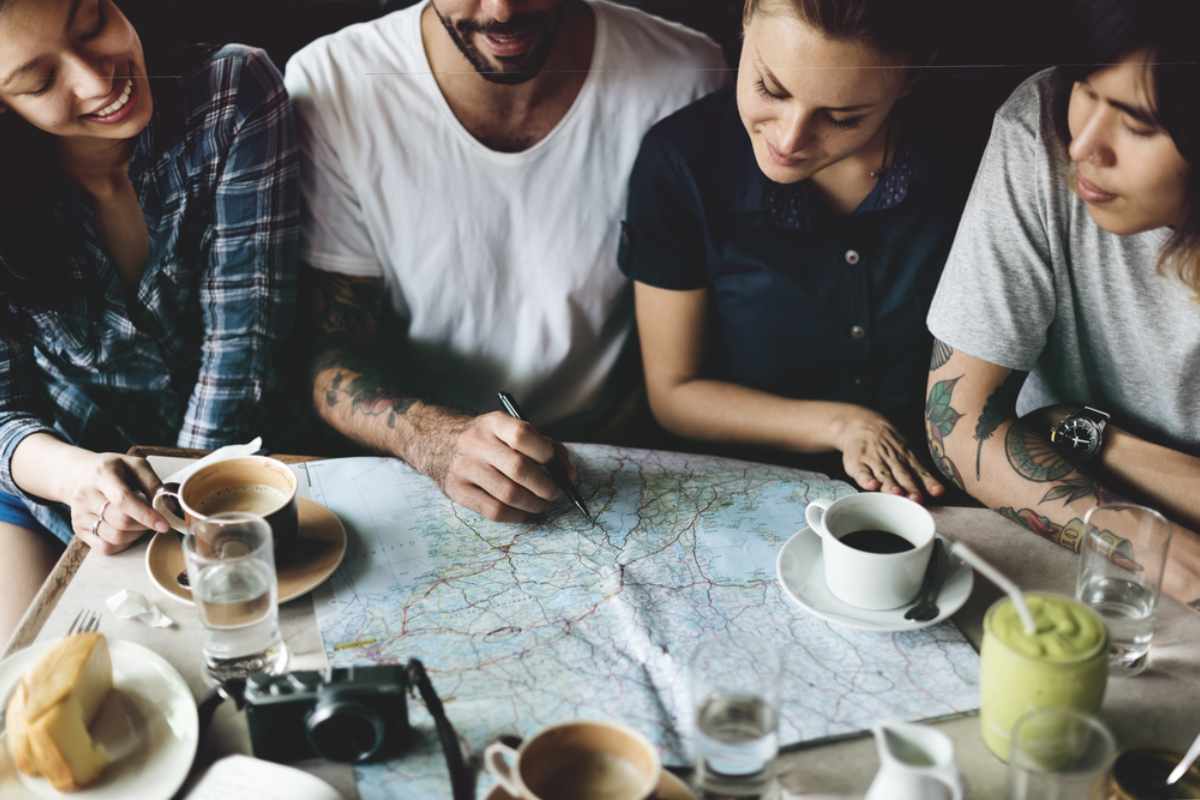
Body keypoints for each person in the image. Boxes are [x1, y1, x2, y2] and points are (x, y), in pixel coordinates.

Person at [286, 0, 727, 522]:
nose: (501, 12)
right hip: (423, 467)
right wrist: (436, 439)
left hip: (619, 466)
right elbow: (330, 352)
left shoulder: (685, 76)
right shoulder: (335, 80)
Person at [0, 0, 299, 639]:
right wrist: (81, 477)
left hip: (231, 463)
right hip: (54, 473)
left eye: (91, 24)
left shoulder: (233, 93)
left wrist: (176, 508)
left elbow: (240, 350)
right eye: (40, 81)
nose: (95, 80)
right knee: (28, 678)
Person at [619, 0, 974, 500]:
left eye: (843, 118)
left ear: (910, 80)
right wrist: (843, 426)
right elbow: (675, 394)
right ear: (746, 16)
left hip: (936, 495)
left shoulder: (972, 149)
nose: (788, 140)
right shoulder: (681, 161)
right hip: (748, 492)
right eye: (770, 89)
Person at [925, 0, 1200, 606]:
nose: (1083, 147)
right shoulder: (1041, 124)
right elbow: (956, 425)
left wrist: (1090, 437)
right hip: (1086, 563)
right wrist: (1144, 545)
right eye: (1085, 90)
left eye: (1139, 125)